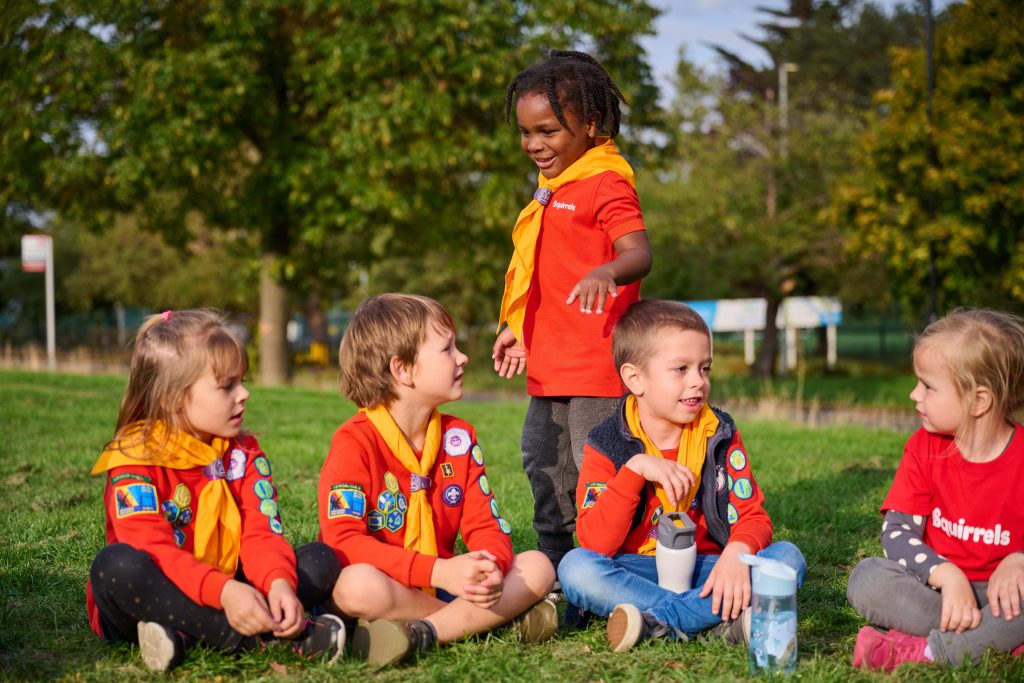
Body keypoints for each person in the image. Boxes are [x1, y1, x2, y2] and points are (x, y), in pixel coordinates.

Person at [87, 309, 344, 672]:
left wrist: (278, 584)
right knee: (116, 568)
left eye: (242, 380)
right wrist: (224, 593)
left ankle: (182, 637)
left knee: (321, 559)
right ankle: (258, 638)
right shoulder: (133, 459)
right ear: (172, 399)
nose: (244, 394)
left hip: (232, 584)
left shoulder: (243, 453)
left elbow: (261, 533)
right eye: (227, 386)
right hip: (164, 592)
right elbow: (153, 550)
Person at [319, 294, 557, 667]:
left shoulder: (458, 438)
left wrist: (490, 566)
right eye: (447, 349)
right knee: (355, 584)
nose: (462, 357)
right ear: (404, 370)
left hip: (451, 587)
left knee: (538, 566)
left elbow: (485, 524)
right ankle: (489, 623)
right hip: (391, 588)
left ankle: (423, 633)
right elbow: (344, 543)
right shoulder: (355, 442)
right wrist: (440, 571)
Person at [556, 299, 806, 651]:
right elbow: (595, 543)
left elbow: (753, 517)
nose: (698, 382)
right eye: (681, 369)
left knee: (786, 559)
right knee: (576, 567)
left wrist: (737, 552)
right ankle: (713, 621)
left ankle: (660, 621)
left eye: (704, 369)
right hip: (636, 569)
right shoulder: (606, 443)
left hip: (711, 569)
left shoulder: (719, 434)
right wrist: (635, 470)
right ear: (635, 378)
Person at [493, 49, 653, 570]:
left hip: (596, 366)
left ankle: (620, 560)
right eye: (526, 132)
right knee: (543, 460)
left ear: (590, 123)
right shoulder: (552, 186)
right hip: (549, 362)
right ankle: (558, 561)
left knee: (598, 466)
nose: (534, 145)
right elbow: (542, 271)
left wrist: (608, 271)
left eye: (548, 131)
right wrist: (516, 327)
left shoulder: (605, 182)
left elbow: (638, 252)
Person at [848, 309, 1024, 671]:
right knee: (867, 578)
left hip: (1005, 597)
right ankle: (991, 641)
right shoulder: (922, 448)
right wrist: (946, 575)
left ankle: (923, 651)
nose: (914, 394)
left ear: (979, 401)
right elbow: (896, 533)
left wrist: (1020, 558)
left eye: (928, 386)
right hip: (937, 594)